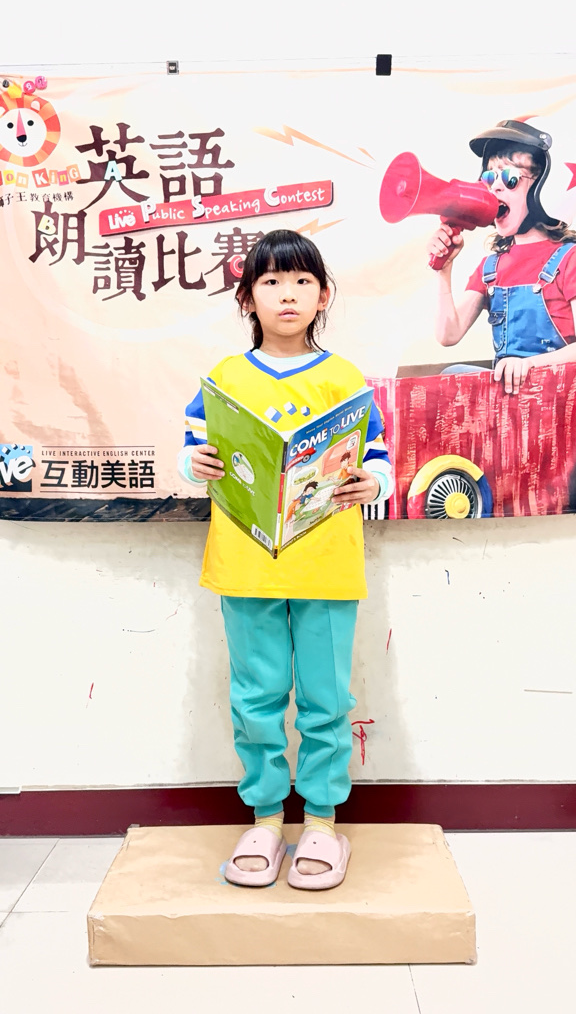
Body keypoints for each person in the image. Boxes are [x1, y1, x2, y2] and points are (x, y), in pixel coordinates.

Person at [177, 229, 392, 890]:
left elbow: (376, 455)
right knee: (256, 697)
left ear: (323, 295)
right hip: (245, 563)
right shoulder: (224, 378)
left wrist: (374, 483)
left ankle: (322, 822)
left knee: (327, 698)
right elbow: (193, 447)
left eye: (302, 280)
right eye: (270, 281)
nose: (287, 294)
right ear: (247, 298)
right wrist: (193, 463)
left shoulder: (343, 378)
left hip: (327, 562)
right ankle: (266, 820)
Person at [428, 119, 576, 394]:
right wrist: (443, 270)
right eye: (488, 178)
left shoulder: (570, 259)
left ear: (547, 188)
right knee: (452, 375)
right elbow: (448, 335)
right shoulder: (490, 268)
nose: (495, 188)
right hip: (510, 401)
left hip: (561, 399)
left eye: (510, 178)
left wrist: (530, 365)